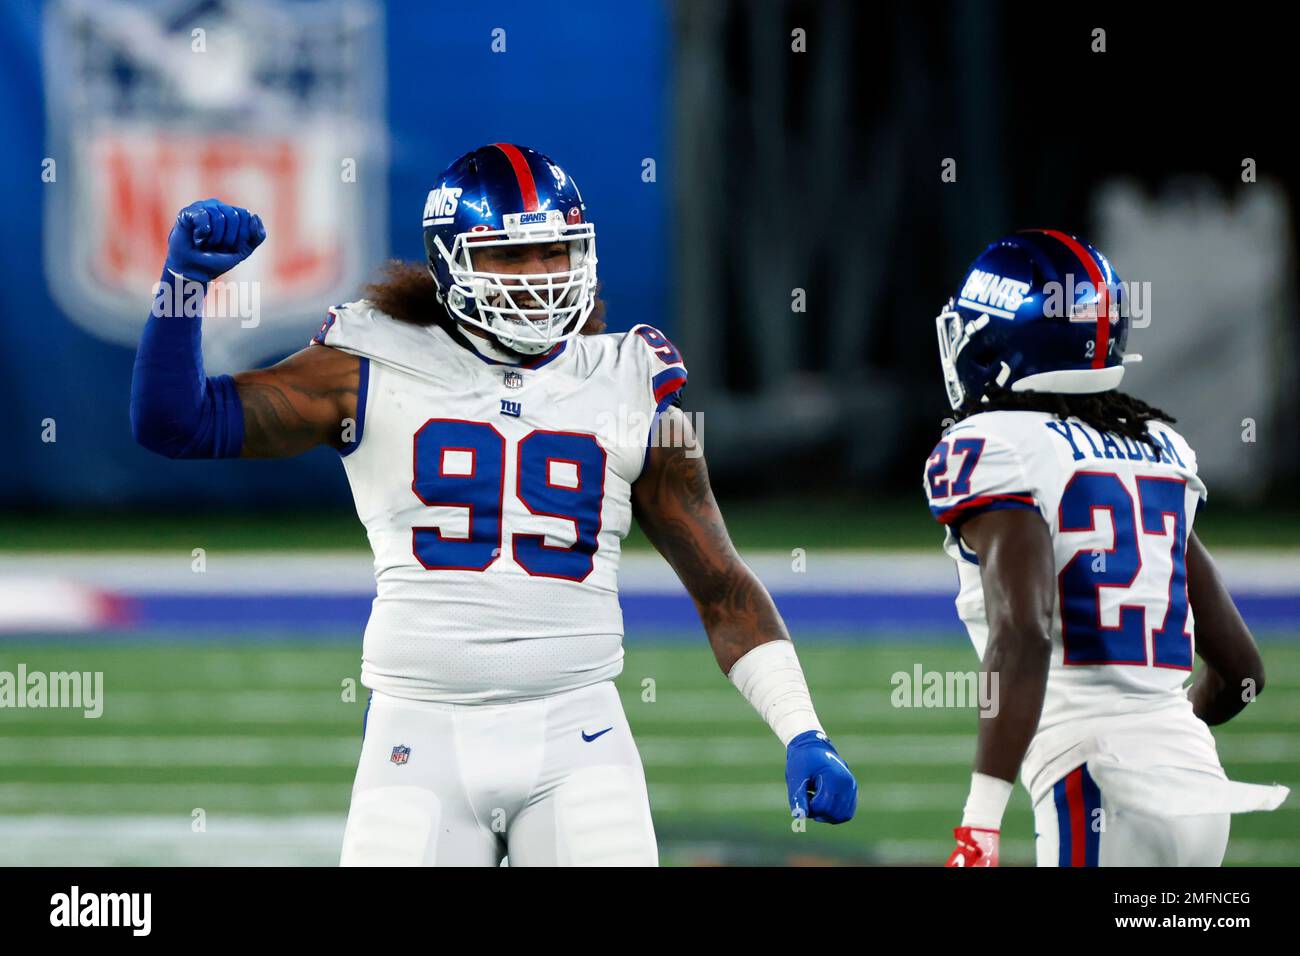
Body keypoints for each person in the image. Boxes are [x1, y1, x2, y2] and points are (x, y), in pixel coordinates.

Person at [130, 143, 857, 866]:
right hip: (417, 737)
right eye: (510, 258)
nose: (539, 278)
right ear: (450, 264)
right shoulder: (369, 363)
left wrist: (803, 729)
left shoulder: (629, 380)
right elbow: (177, 423)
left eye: (554, 252)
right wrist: (184, 288)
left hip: (580, 738)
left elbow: (722, 588)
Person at [923, 229, 1288, 867]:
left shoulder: (993, 446)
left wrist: (977, 827)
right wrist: (1165, 751)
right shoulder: (1155, 449)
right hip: (1200, 790)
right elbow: (1243, 673)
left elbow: (1025, 634)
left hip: (1094, 785)